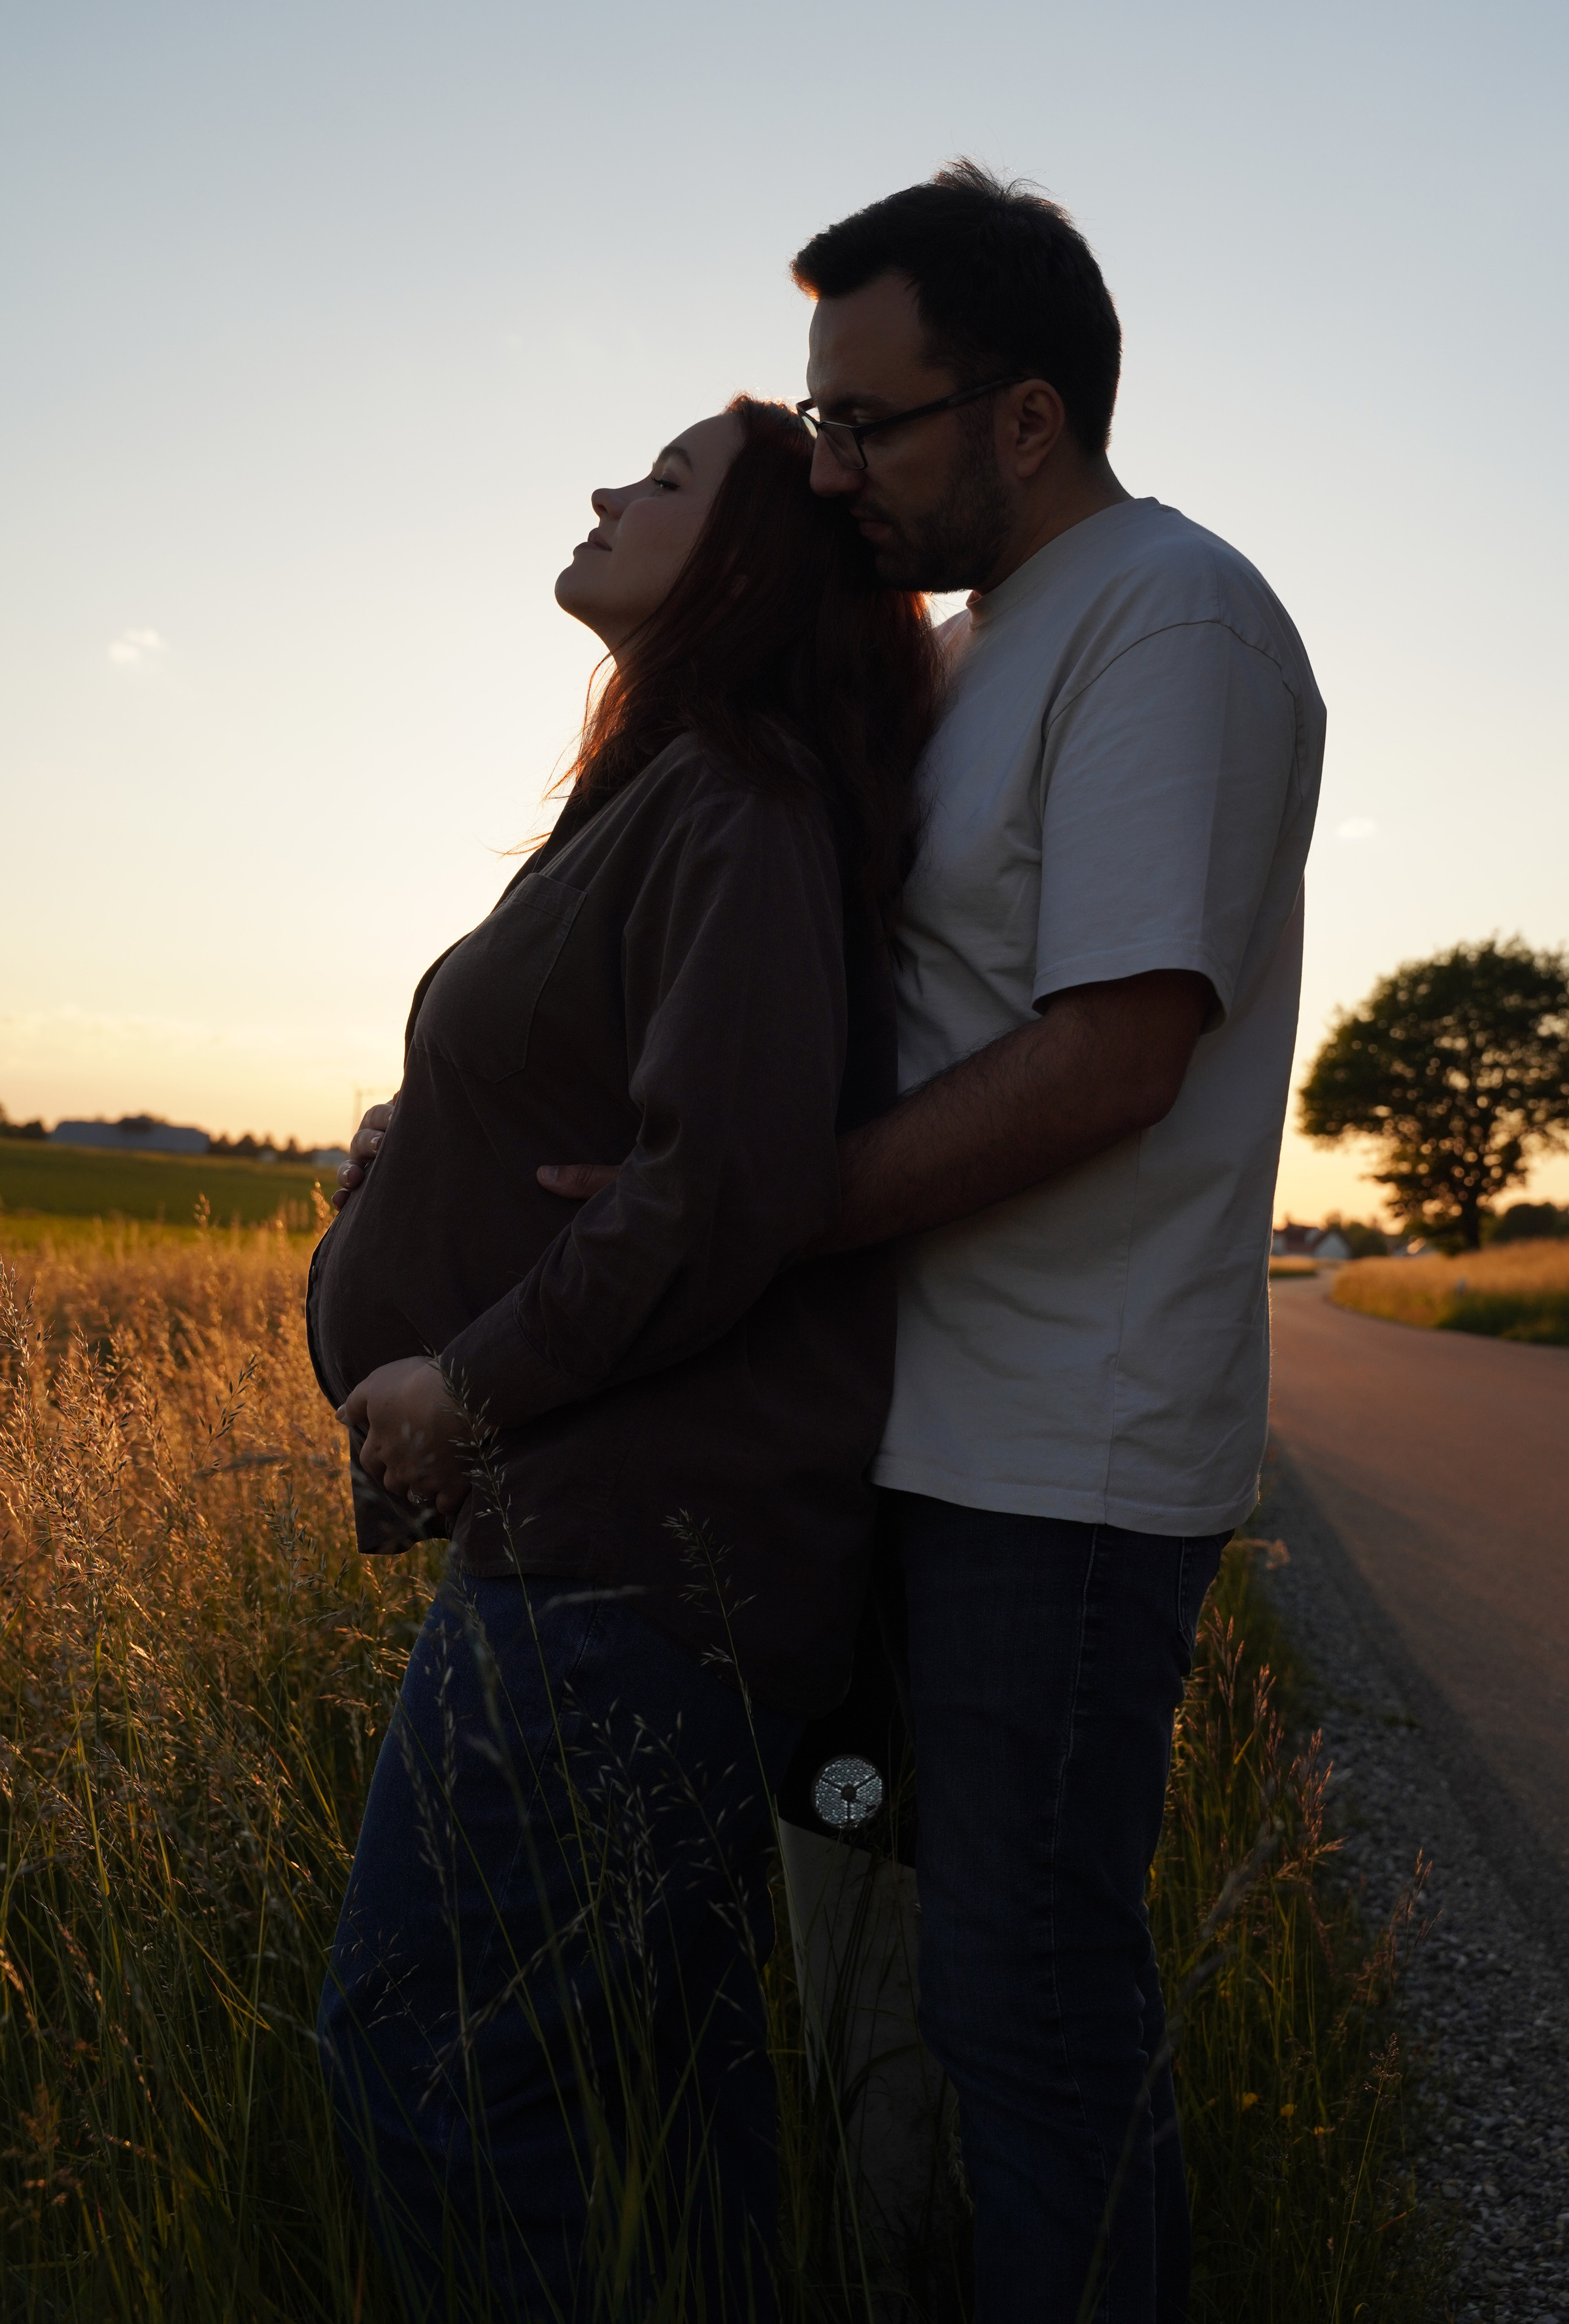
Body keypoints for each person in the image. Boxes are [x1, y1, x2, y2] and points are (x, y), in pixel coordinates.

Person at [341, 168, 1327, 2321]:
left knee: (1027, 2012)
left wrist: (742, 1214)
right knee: (784, 2014)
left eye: (866, 422)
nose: (829, 461)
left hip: (1059, 1458)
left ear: (1030, 417)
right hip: (894, 1430)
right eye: (814, 423)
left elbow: (1113, 1056)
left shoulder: (1176, 616)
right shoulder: (967, 657)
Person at [309, 396, 939, 2320]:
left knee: (432, 2070)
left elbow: (721, 1183)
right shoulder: (674, 790)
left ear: (748, 558)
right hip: (608, 1565)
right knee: (661, 2095)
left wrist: (465, 1378)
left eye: (666, 480)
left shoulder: (739, 801)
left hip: (619, 1569)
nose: (607, 492)